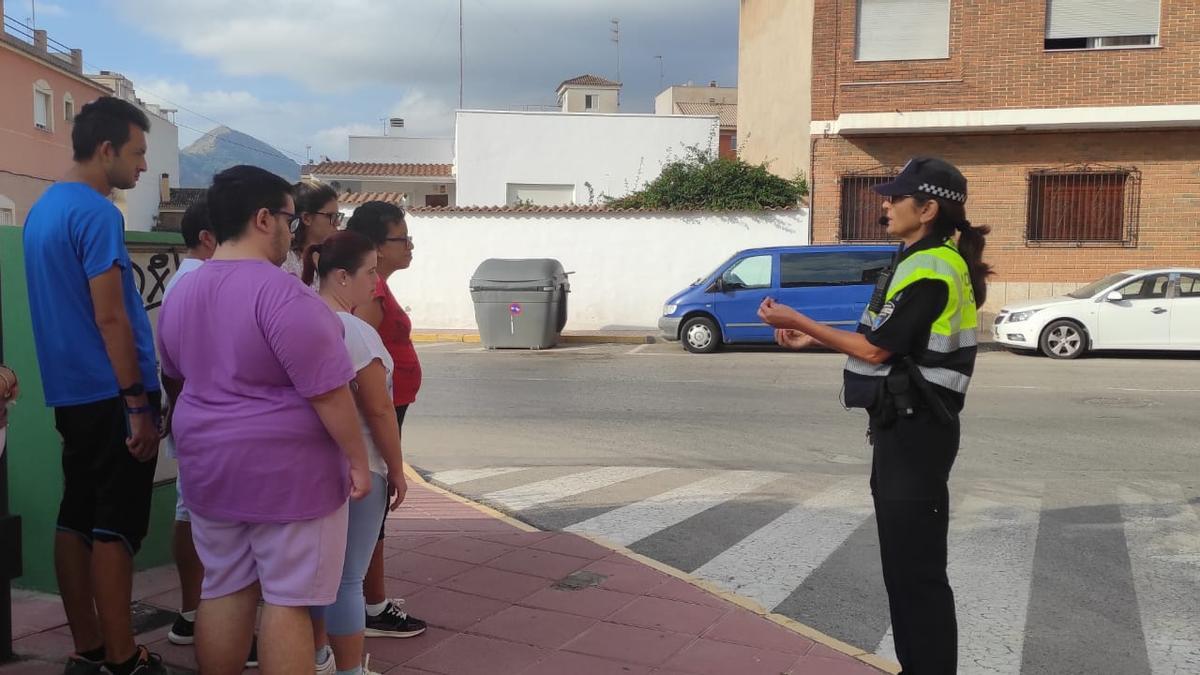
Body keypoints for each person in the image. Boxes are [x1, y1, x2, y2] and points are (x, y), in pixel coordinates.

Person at [758, 157, 991, 675]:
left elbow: (880, 352)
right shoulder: (912, 260)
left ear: (927, 209)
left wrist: (800, 319)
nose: (884, 204)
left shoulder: (932, 267)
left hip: (918, 433)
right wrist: (810, 338)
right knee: (905, 570)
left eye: (895, 197)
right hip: (901, 429)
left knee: (917, 573)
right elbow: (885, 345)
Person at [157, 165, 372, 675]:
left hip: (208, 465)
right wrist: (359, 463)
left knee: (224, 586)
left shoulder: (181, 292)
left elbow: (175, 376)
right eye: (290, 220)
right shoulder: (285, 296)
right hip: (288, 475)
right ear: (262, 219)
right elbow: (330, 395)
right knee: (287, 599)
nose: (293, 232)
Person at [22, 96, 166, 675]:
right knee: (115, 528)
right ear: (105, 149)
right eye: (136, 154)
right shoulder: (98, 213)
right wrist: (137, 403)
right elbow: (111, 317)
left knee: (75, 515)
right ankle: (125, 657)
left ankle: (87, 647)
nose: (141, 167)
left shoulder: (41, 210)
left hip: (70, 394)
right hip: (112, 394)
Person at [158, 200, 259, 667]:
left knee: (193, 516)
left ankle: (192, 613)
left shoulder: (185, 282)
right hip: (208, 429)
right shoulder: (198, 281)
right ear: (207, 238)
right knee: (222, 557)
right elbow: (175, 367)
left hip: (197, 423)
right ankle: (196, 613)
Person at [304, 231, 410, 675]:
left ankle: (316, 658)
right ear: (342, 276)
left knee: (310, 579)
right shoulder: (354, 332)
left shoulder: (299, 317)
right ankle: (350, 669)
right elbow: (380, 411)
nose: (375, 282)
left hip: (309, 465)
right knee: (347, 580)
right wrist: (398, 470)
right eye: (370, 271)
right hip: (359, 467)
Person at [345, 202, 427, 639]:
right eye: (402, 237)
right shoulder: (372, 291)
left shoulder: (379, 286)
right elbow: (363, 362)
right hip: (380, 410)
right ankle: (371, 604)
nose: (410, 244)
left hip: (391, 406)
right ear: (377, 246)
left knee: (373, 511)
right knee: (374, 508)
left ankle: (367, 598)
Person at [281, 180, 341, 284]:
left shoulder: (335, 260)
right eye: (331, 216)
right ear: (307, 218)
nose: (337, 223)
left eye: (338, 216)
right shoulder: (285, 262)